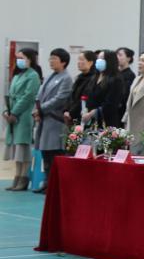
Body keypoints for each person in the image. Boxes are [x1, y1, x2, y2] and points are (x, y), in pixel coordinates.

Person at [32, 48, 73, 193]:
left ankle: (55, 185)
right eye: (50, 58)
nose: (51, 61)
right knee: (45, 154)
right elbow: (39, 96)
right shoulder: (50, 76)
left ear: (63, 62)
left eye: (54, 58)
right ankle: (47, 182)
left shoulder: (66, 78)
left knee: (55, 153)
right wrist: (36, 110)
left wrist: (41, 109)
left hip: (56, 121)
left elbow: (60, 98)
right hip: (44, 120)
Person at [4, 48, 42, 191]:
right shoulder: (17, 75)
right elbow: (10, 95)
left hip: (24, 115)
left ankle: (24, 178)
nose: (19, 60)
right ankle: (16, 177)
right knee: (16, 148)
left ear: (30, 59)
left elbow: (28, 96)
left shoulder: (33, 76)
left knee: (23, 148)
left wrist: (14, 112)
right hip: (13, 114)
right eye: (18, 58)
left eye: (22, 57)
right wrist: (6, 111)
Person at [84, 50, 125, 128]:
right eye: (98, 58)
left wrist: (93, 113)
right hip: (91, 121)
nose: (99, 60)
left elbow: (111, 104)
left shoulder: (116, 80)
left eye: (102, 58)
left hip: (106, 122)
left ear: (110, 61)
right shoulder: (94, 77)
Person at [64, 50, 97, 125]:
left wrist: (71, 113)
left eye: (82, 60)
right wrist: (66, 110)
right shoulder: (79, 77)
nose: (78, 62)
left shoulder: (94, 78)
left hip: (83, 116)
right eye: (78, 60)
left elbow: (85, 98)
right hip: (71, 116)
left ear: (91, 62)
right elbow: (71, 95)